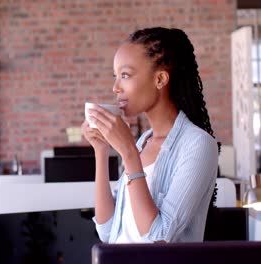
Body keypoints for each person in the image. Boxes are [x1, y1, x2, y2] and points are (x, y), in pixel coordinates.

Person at [82, 27, 219, 243]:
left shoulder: (198, 145)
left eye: (125, 75)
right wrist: (101, 151)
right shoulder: (142, 143)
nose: (115, 87)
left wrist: (128, 153)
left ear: (160, 79)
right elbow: (107, 231)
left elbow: (159, 237)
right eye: (116, 76)